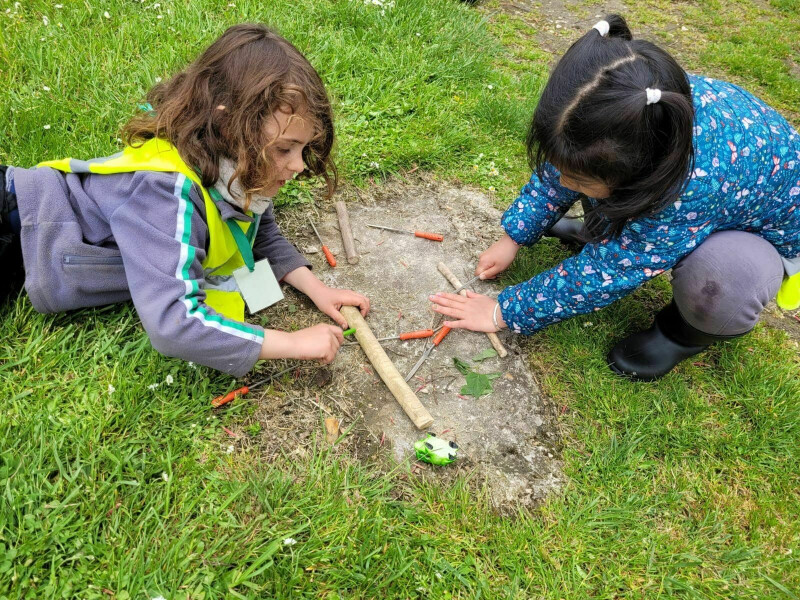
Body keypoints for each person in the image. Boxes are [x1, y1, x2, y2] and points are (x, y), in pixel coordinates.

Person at [429, 14, 800, 381]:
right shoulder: (632, 110)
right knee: (594, 181)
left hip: (763, 237)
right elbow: (566, 166)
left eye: (576, 178)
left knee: (726, 274)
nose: (564, 180)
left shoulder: (689, 187)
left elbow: (610, 272)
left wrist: (503, 312)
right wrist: (513, 236)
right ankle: (603, 233)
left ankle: (681, 334)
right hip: (693, 192)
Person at [0, 24, 369, 377]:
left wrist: (318, 290)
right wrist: (292, 343)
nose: (299, 165)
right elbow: (174, 321)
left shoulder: (234, 162)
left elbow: (259, 231)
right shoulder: (165, 193)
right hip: (18, 226)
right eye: (285, 149)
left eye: (303, 149)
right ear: (228, 125)